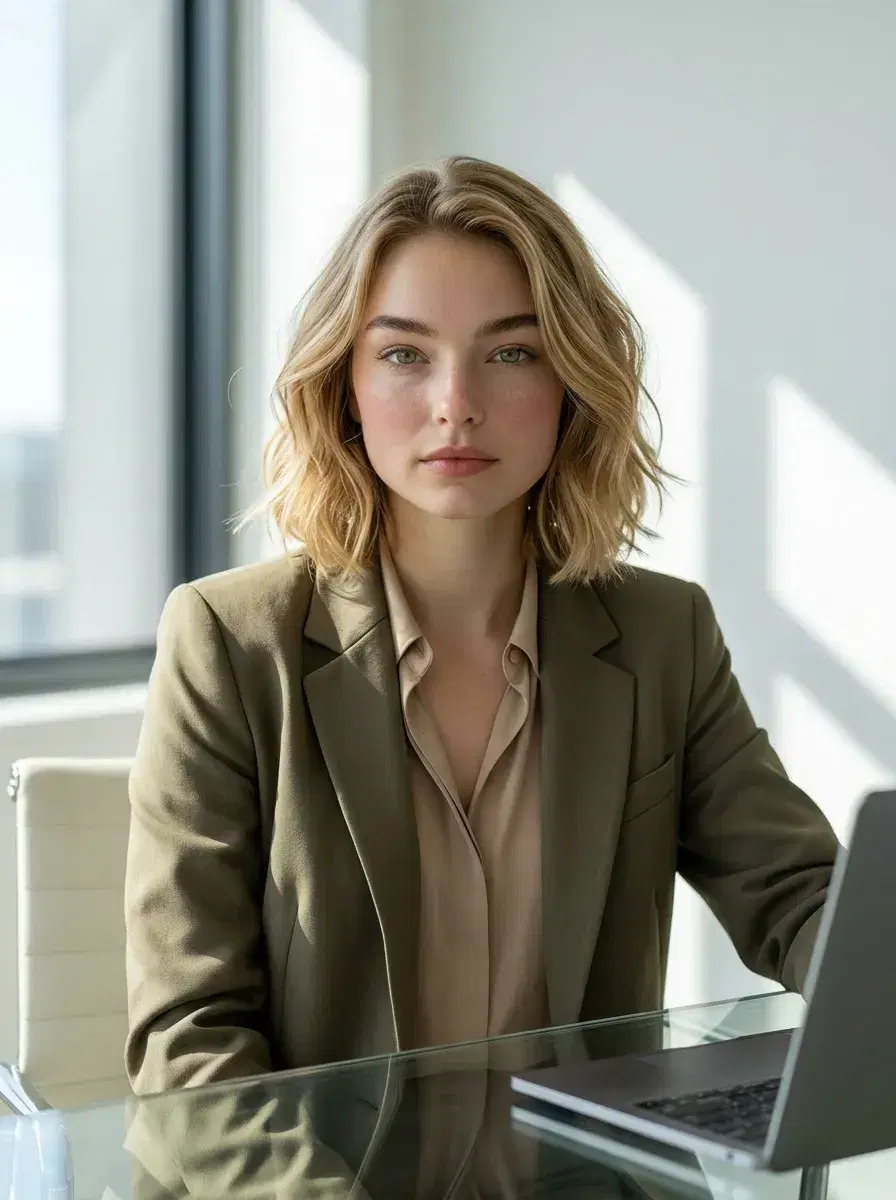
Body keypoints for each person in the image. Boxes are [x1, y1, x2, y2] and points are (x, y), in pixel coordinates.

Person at [124, 155, 838, 1098]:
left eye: (511, 353)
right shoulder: (227, 641)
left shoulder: (665, 633)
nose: (456, 404)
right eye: (404, 354)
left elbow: (802, 900)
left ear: (571, 382)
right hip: (317, 1171)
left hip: (586, 1167)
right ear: (342, 386)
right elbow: (191, 1041)